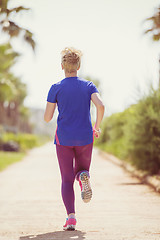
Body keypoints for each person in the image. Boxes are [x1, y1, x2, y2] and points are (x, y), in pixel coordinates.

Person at [44, 47, 105, 231]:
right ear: (78, 66)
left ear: (62, 66)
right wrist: (97, 126)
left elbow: (47, 118)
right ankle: (83, 175)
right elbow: (100, 106)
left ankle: (71, 218)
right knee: (82, 169)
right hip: (85, 136)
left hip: (64, 138)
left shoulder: (56, 88)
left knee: (66, 179)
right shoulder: (88, 86)